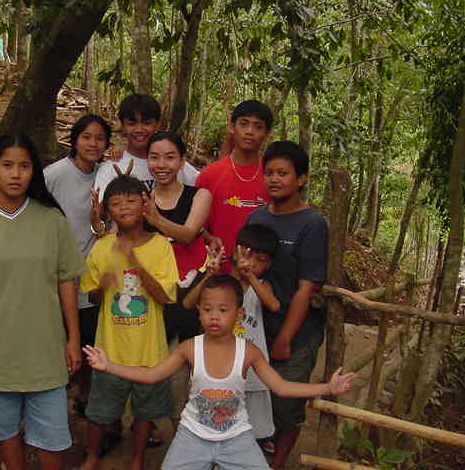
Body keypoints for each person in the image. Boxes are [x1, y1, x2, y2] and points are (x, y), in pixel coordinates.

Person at [83, 275, 355, 470]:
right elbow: (152, 375)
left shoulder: (249, 352)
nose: (214, 316)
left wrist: (327, 388)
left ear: (239, 314)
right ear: (199, 313)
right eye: (207, 310)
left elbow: (281, 387)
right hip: (192, 435)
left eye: (223, 310)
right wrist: (110, 366)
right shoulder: (189, 348)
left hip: (237, 437)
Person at [0, 134, 86, 470]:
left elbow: (67, 281)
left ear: (34, 171)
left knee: (51, 437)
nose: (16, 174)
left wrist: (73, 339)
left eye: (24, 166)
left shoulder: (51, 220)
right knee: (4, 431)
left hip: (44, 350)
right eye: (7, 165)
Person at [78, 175, 179, 470]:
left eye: (131, 200)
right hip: (109, 351)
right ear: (107, 211)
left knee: (144, 414)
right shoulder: (101, 247)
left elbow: (165, 297)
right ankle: (92, 457)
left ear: (145, 205)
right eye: (115, 203)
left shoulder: (161, 246)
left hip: (149, 353)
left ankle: (137, 460)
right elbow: (94, 297)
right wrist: (103, 285)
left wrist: (134, 262)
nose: (124, 207)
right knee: (98, 412)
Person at [245, 141, 329, 470]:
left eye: (283, 173)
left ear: (301, 178)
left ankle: (277, 463)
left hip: (296, 330)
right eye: (269, 173)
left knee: (285, 403)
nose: (274, 179)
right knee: (251, 396)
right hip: (254, 328)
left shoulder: (312, 224)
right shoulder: (257, 216)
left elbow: (306, 289)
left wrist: (285, 339)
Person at [182, 224, 281, 454]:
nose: (251, 263)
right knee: (215, 421)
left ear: (269, 265)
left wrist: (249, 275)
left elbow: (273, 305)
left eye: (260, 260)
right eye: (247, 255)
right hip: (217, 371)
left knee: (251, 429)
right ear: (235, 251)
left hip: (253, 371)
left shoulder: (261, 286)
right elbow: (187, 304)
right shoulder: (220, 284)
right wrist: (209, 275)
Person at [142, 131, 212, 431]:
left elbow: (188, 233)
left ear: (182, 161)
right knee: (164, 375)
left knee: (194, 374)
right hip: (153, 296)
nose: (162, 164)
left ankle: (200, 435)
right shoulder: (140, 195)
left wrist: (156, 220)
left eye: (170, 157)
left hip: (192, 296)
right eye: (154, 157)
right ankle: (171, 435)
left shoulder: (199, 195)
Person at [44, 114, 112, 416]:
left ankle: (84, 397)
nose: (93, 144)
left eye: (100, 138)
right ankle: (53, 397)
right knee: (58, 339)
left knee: (88, 339)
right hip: (57, 273)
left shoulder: (106, 173)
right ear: (74, 140)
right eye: (86, 137)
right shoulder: (55, 174)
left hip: (92, 274)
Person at [195, 100, 273, 272]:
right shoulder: (209, 175)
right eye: (244, 124)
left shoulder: (273, 177)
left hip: (263, 278)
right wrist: (209, 239)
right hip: (217, 272)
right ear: (231, 127)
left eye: (258, 126)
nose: (250, 131)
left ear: (267, 133)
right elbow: (195, 226)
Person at [93, 94, 198, 202]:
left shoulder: (176, 165)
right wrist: (120, 185)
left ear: (158, 124)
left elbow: (202, 188)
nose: (139, 129)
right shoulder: (111, 167)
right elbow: (99, 209)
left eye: (147, 123)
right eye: (131, 124)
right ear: (123, 125)